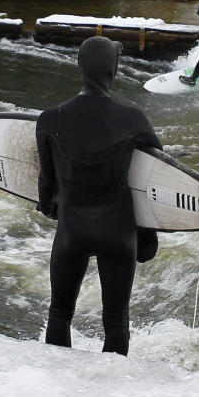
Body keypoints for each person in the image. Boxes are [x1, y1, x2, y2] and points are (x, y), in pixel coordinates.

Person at [35, 36, 162, 356]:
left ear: (79, 67)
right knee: (117, 321)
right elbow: (150, 181)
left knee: (59, 314)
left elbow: (47, 185)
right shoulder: (135, 121)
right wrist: (147, 236)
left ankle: (58, 382)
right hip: (118, 232)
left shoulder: (50, 120)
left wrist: (52, 207)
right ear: (115, 71)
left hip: (72, 230)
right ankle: (112, 395)